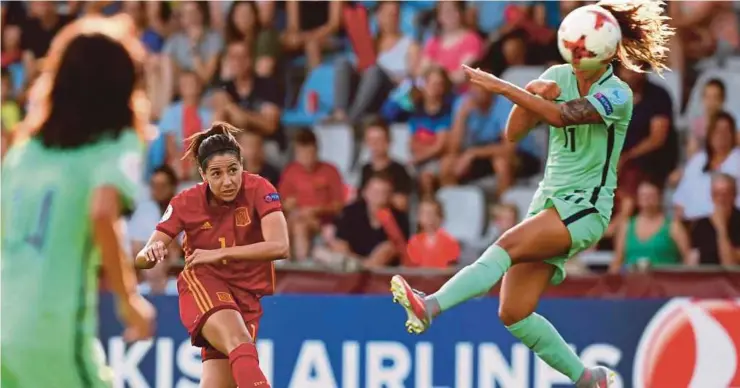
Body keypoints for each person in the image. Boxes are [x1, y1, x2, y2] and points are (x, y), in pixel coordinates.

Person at [389, 2, 673, 387]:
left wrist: (503, 87)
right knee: (513, 312)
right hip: (549, 202)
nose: (574, 58)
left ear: (602, 53)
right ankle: (588, 378)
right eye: (571, 49)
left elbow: (562, 116)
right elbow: (514, 134)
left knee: (505, 244)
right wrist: (531, 91)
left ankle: (431, 305)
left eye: (582, 51)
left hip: (585, 207)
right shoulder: (558, 74)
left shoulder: (618, 94)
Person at [1, 15, 155, 388]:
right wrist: (128, 301)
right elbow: (103, 211)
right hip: (52, 334)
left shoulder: (24, 150)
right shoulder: (115, 144)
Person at [137, 122, 289, 388]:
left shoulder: (259, 188)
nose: (227, 180)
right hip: (203, 284)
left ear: (242, 164)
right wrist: (152, 251)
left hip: (246, 295)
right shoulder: (185, 201)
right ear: (202, 174)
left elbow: (280, 246)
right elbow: (143, 257)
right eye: (216, 174)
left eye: (233, 170)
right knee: (239, 341)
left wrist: (219, 254)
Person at [610, 180, 692, 272]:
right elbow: (618, 260)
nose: (647, 199)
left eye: (651, 196)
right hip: (632, 282)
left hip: (665, 282)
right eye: (643, 195)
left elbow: (688, 258)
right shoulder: (626, 226)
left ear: (659, 198)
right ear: (638, 199)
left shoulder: (673, 226)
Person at [688, 173, 740, 266]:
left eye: (725, 194)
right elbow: (692, 261)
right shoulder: (701, 224)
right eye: (716, 194)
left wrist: (721, 228)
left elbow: (730, 264)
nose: (721, 199)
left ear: (734, 195)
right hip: (707, 279)